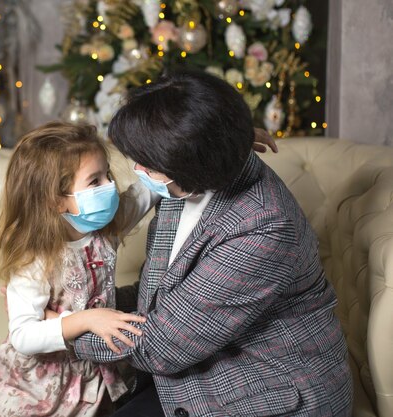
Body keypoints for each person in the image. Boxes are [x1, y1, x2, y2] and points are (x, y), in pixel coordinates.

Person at [72, 70, 353, 417]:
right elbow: (160, 292)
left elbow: (161, 346)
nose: (138, 169)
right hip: (190, 357)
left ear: (189, 164)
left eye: (147, 162)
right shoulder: (192, 170)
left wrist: (63, 330)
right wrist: (83, 306)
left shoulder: (263, 227)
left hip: (264, 388)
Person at [0, 121, 156, 417]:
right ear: (55, 201)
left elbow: (148, 189)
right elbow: (23, 335)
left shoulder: (107, 228)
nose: (111, 186)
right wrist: (87, 320)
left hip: (97, 370)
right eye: (95, 181)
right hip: (44, 381)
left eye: (108, 175)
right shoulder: (36, 257)